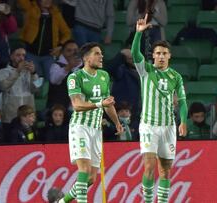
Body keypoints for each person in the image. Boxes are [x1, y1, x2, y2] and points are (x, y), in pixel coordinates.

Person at [131, 14, 188, 203]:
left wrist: (183, 121)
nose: (161, 56)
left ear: (169, 56)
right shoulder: (146, 70)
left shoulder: (176, 77)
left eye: (164, 53)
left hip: (169, 127)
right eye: (158, 53)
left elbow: (183, 101)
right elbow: (134, 54)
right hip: (149, 126)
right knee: (149, 165)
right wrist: (138, 34)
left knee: (165, 169)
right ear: (153, 56)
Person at [57, 42, 123, 203]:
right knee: (84, 170)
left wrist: (117, 122)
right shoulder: (75, 77)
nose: (101, 56)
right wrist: (100, 104)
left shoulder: (104, 76)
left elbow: (108, 104)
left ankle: (62, 201)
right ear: (86, 58)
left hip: (96, 130)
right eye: (97, 53)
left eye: (101, 53)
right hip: (80, 127)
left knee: (91, 179)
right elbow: (77, 105)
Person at [18, 0, 71, 80]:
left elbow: (67, 33)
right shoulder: (31, 9)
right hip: (31, 53)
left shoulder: (56, 14)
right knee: (34, 81)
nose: (47, 1)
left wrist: (60, 46)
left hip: (48, 55)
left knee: (51, 80)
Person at [0, 41, 40, 129]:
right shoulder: (3, 71)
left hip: (28, 116)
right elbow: (3, 86)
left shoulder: (29, 71)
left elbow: (36, 89)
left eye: (23, 55)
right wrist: (17, 71)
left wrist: (34, 73)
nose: (21, 58)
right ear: (11, 56)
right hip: (10, 116)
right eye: (18, 55)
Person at [48, 39, 81, 110]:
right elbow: (54, 80)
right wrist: (69, 67)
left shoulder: (83, 66)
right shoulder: (56, 65)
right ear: (62, 52)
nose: (73, 53)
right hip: (58, 108)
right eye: (69, 50)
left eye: (75, 50)